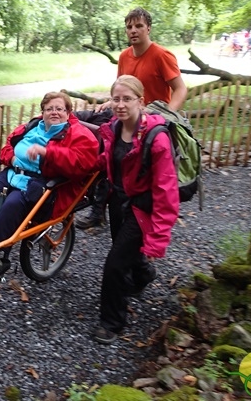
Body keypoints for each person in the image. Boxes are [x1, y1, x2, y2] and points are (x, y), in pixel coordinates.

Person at [0, 92, 100, 281]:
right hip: (15, 172)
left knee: (12, 204)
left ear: (68, 112)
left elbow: (81, 164)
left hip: (44, 181)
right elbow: (9, 145)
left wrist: (48, 152)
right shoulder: (33, 126)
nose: (54, 112)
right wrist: (9, 157)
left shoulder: (78, 135)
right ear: (42, 112)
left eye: (59, 109)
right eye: (49, 109)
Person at [76, 7, 187, 230]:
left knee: (127, 161)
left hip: (151, 118)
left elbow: (180, 89)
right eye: (129, 27)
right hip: (127, 114)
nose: (133, 31)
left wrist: (165, 116)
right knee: (95, 140)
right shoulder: (125, 56)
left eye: (138, 26)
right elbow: (122, 85)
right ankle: (96, 208)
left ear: (148, 28)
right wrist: (112, 101)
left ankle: (136, 217)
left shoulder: (161, 55)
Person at [92, 75, 179, 344]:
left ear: (141, 102)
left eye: (127, 99)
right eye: (116, 98)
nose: (120, 104)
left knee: (115, 265)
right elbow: (107, 160)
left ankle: (112, 323)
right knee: (125, 251)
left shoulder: (157, 138)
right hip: (120, 201)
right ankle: (143, 273)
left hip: (143, 208)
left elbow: (167, 192)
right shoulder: (114, 128)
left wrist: (157, 240)